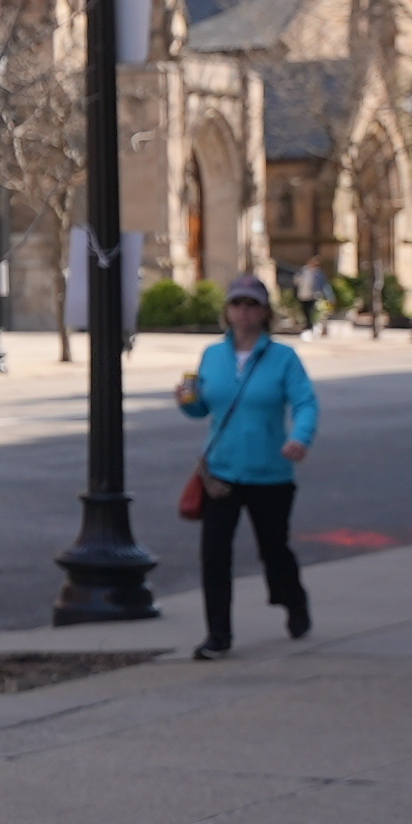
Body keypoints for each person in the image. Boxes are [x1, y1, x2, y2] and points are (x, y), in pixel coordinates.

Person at [174, 274, 316, 660]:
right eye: (237, 303)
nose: (243, 311)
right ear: (227, 311)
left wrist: (299, 437)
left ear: (265, 312)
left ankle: (293, 600)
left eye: (251, 304)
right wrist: (187, 401)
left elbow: (305, 403)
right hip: (221, 472)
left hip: (270, 472)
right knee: (214, 554)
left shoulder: (283, 358)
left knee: (273, 550)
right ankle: (217, 634)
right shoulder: (212, 356)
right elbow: (203, 407)